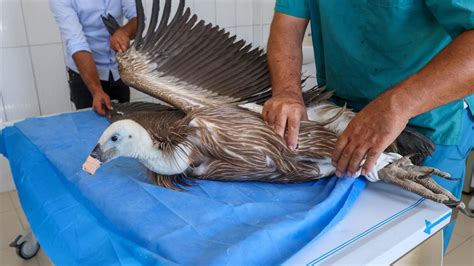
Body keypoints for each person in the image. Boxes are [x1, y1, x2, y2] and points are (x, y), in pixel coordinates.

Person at [262, 1, 474, 251]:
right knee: (349, 242)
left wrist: (397, 105)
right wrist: (287, 92)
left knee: (410, 245)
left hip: (428, 119)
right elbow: (288, 23)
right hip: (344, 116)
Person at [50, 0, 137, 115]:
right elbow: (76, 43)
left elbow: (137, 18)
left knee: (123, 124)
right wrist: (96, 90)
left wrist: (125, 32)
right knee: (91, 127)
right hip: (85, 76)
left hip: (118, 71)